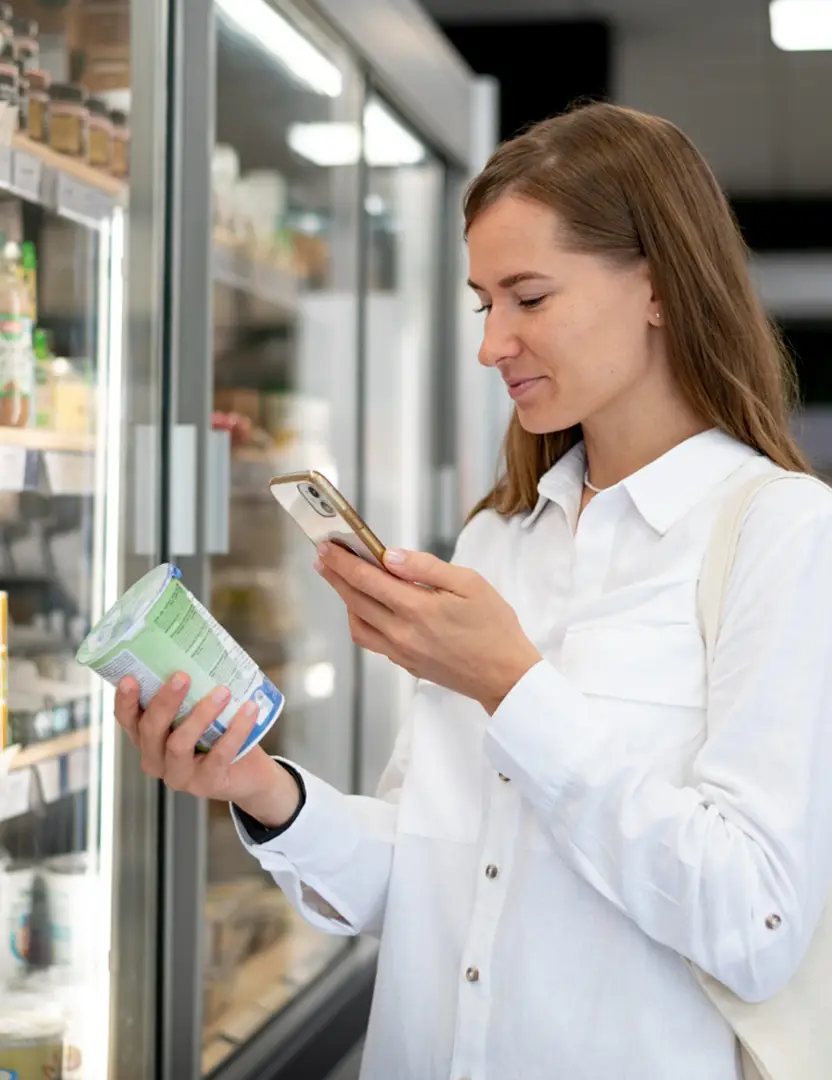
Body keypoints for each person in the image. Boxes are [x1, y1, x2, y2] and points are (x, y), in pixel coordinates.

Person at [114, 102, 832, 1080]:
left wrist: (512, 685)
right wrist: (258, 787)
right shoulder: (497, 539)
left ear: (658, 287)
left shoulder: (781, 534)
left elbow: (755, 922)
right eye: (481, 302)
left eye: (528, 298)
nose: (492, 343)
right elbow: (425, 873)